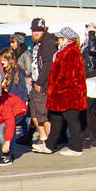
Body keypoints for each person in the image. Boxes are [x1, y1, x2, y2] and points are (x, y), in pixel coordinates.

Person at [37, 27, 86, 156]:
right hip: (62, 93)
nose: (58, 41)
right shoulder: (65, 51)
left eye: (60, 38)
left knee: (71, 119)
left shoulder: (71, 52)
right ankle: (49, 145)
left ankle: (76, 147)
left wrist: (57, 87)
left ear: (67, 39)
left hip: (68, 93)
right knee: (56, 119)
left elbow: (68, 75)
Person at [0, 49, 28, 165]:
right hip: (6, 103)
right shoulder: (0, 72)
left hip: (15, 106)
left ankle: (8, 153)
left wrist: (23, 101)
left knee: (5, 128)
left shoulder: (17, 72)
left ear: (10, 60)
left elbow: (21, 91)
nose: (2, 62)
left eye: (5, 60)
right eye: (1, 60)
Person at [27, 18, 56, 147]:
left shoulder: (47, 42)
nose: (35, 33)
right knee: (34, 113)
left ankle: (49, 142)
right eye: (34, 30)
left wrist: (40, 82)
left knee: (43, 114)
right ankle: (43, 137)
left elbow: (48, 64)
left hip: (43, 84)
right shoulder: (38, 43)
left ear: (44, 30)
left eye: (39, 30)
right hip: (35, 82)